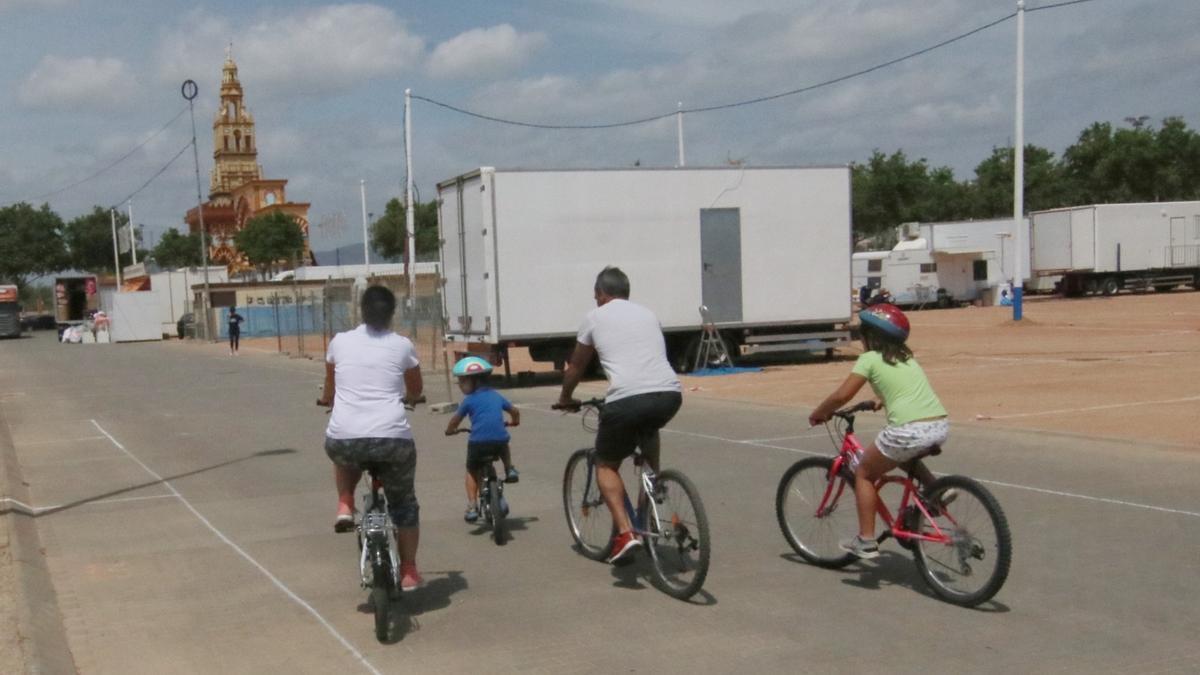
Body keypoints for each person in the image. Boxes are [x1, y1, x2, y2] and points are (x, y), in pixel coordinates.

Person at [556, 267, 682, 564]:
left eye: (596, 295)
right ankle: (651, 491)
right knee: (649, 427)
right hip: (669, 394)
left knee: (606, 464)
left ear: (601, 294)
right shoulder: (648, 314)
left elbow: (576, 367)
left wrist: (565, 398)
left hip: (626, 398)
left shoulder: (595, 317)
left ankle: (626, 533)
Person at [807, 303, 948, 559]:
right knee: (900, 457)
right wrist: (880, 398)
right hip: (939, 424)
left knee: (862, 472)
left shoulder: (869, 359)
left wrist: (820, 412)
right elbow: (903, 389)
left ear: (870, 336)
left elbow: (842, 395)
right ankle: (938, 491)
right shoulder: (906, 358)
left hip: (908, 430)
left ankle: (866, 541)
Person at [318, 286, 425, 590]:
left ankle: (344, 503)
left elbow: (330, 388)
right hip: (392, 439)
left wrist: (327, 401)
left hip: (345, 436)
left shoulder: (339, 342)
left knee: (343, 449)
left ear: (360, 312)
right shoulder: (402, 346)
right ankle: (408, 570)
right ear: (393, 314)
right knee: (404, 504)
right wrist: (412, 397)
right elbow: (415, 390)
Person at [444, 356, 521, 523]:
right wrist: (515, 421)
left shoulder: (469, 400)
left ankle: (472, 506)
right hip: (498, 441)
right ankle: (509, 469)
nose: (461, 386)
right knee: (504, 444)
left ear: (473, 381)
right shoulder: (496, 396)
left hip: (478, 443)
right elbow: (514, 411)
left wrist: (450, 431)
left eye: (462, 382)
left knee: (472, 470)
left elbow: (455, 420)